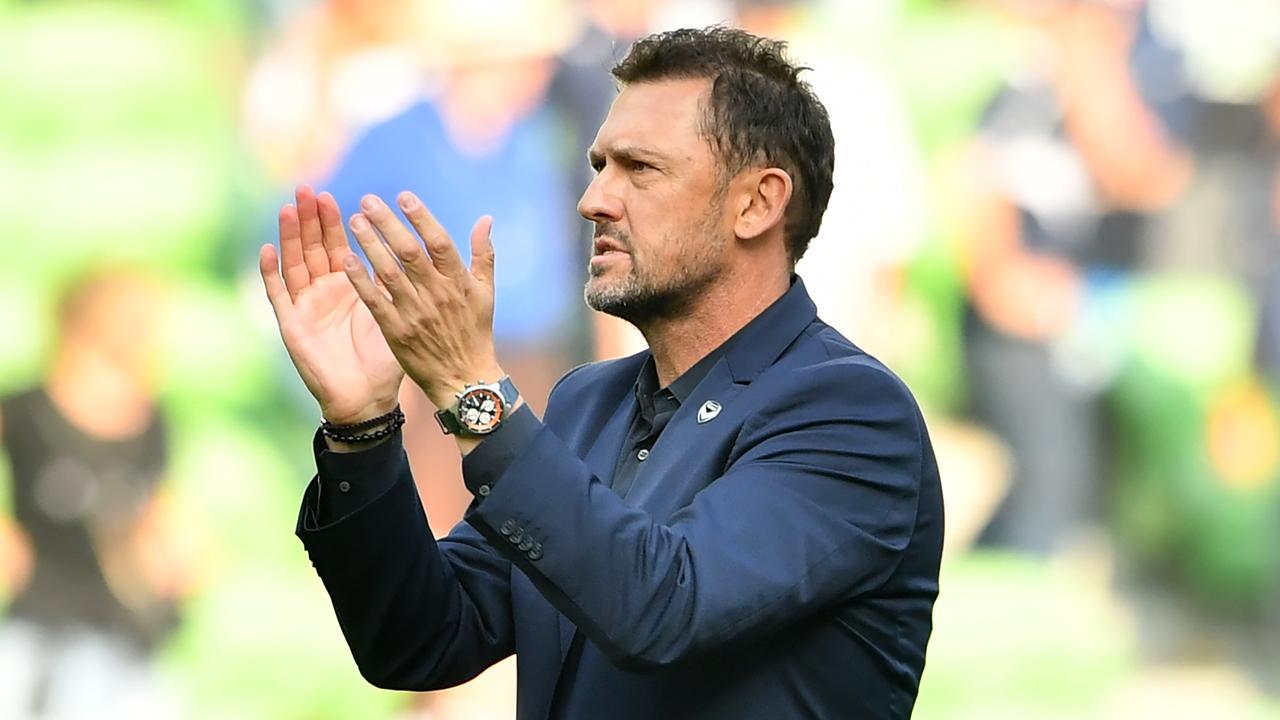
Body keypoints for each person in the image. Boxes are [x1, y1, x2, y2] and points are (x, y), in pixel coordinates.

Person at [259, 27, 943, 719]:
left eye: (639, 168)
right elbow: (420, 641)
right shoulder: (588, 404)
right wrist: (363, 430)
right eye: (599, 165)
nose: (594, 200)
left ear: (757, 203)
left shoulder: (851, 412)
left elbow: (664, 607)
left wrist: (472, 393)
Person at [0, 269, 195, 719]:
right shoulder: (26, 409)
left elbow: (158, 508)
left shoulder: (151, 420)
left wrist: (174, 550)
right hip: (38, 625)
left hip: (124, 633)